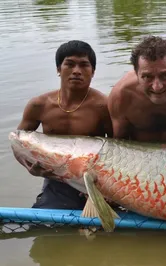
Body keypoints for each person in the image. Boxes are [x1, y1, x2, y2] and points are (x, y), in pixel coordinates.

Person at [13, 40, 113, 210]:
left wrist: (105, 188)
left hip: (95, 178)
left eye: (84, 65)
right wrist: (29, 166)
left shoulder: (104, 106)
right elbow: (18, 141)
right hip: (58, 179)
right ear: (59, 69)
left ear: (93, 71)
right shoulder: (39, 105)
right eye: (70, 64)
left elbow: (116, 148)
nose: (76, 71)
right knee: (45, 227)